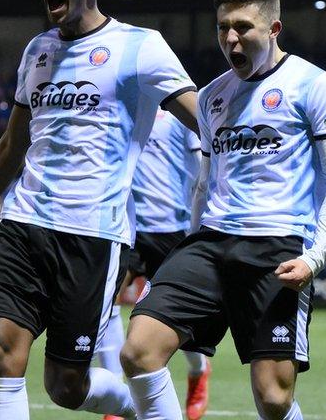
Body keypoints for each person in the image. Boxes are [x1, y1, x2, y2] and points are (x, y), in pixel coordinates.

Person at [0, 0, 199, 420]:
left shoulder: (142, 47)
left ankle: (135, 409)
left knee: (65, 386)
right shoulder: (37, 51)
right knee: (2, 354)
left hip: (92, 236)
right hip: (23, 224)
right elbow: (14, 143)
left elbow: (203, 118)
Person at [119, 0, 326, 420]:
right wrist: (188, 244)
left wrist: (316, 256)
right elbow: (204, 184)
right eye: (223, 27)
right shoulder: (211, 96)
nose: (230, 38)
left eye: (243, 27)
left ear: (274, 28)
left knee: (273, 398)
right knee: (138, 351)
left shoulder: (316, 86)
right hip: (210, 242)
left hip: (279, 247)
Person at [95, 109, 212, 420]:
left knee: (177, 318)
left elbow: (205, 168)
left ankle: (199, 370)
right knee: (105, 302)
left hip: (173, 229)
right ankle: (117, 391)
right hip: (130, 228)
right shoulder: (123, 113)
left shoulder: (181, 114)